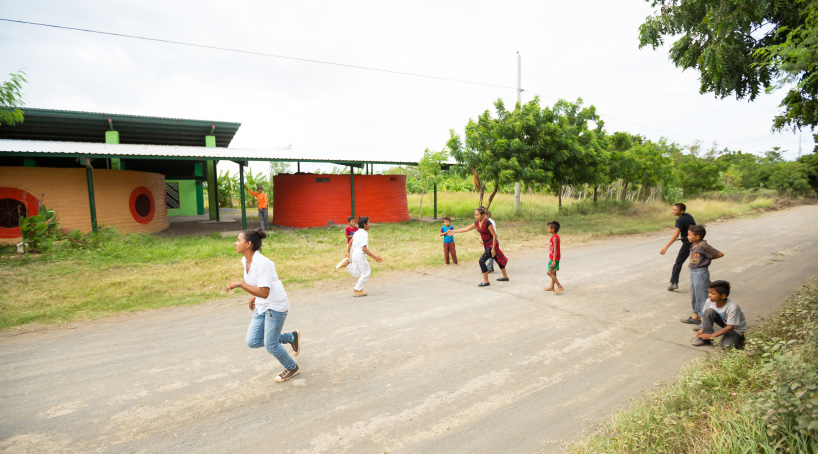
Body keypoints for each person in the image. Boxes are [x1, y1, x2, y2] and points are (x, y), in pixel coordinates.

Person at [226, 228, 301, 383]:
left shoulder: (264, 263)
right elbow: (258, 285)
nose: (235, 243)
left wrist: (240, 284)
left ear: (248, 244)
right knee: (252, 341)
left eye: (238, 240)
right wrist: (254, 296)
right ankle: (291, 337)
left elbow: (265, 292)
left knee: (271, 344)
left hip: (275, 306)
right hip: (262, 305)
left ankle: (292, 367)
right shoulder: (245, 261)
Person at [446, 206, 509, 287]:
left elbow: (494, 236)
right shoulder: (477, 223)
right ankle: (505, 276)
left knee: (481, 260)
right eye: (475, 215)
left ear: (482, 215)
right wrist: (453, 231)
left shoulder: (487, 223)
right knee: (497, 258)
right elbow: (467, 228)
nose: (475, 216)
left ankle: (486, 281)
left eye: (477, 215)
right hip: (486, 244)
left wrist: (493, 248)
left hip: (492, 243)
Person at [682, 224, 724, 326]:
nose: (688, 237)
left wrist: (707, 259)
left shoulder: (703, 245)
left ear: (697, 237)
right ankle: (696, 316)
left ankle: (706, 322)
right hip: (693, 272)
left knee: (702, 297)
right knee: (695, 295)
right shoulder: (694, 245)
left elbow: (719, 254)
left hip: (700, 273)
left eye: (689, 235)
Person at [693, 280, 747, 348]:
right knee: (709, 311)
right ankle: (705, 339)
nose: (709, 295)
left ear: (723, 296)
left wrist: (711, 336)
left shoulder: (732, 307)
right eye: (709, 292)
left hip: (735, 328)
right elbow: (707, 316)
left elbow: (730, 327)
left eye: (712, 293)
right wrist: (703, 329)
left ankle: (739, 337)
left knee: (725, 346)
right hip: (725, 323)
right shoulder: (709, 301)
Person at [660, 202, 695, 291]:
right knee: (696, 261)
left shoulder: (679, 220)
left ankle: (674, 283)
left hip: (688, 242)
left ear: (682, 211)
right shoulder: (688, 216)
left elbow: (675, 235)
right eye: (673, 209)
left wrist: (666, 246)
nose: (673, 211)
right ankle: (702, 282)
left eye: (675, 210)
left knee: (678, 262)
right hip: (696, 241)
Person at [345, 216, 383, 297]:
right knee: (366, 273)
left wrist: (348, 251)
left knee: (357, 273)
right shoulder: (364, 234)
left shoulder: (357, 232)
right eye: (368, 223)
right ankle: (356, 290)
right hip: (360, 255)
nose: (369, 224)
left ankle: (347, 265)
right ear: (364, 224)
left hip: (354, 254)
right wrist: (374, 257)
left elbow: (351, 241)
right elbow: (363, 248)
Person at [544, 220, 563, 294]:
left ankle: (560, 286)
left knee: (549, 272)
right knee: (553, 272)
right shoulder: (555, 237)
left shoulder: (555, 238)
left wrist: (554, 260)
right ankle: (552, 287)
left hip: (554, 258)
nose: (548, 229)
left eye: (548, 228)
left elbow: (555, 249)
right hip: (554, 258)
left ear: (553, 229)